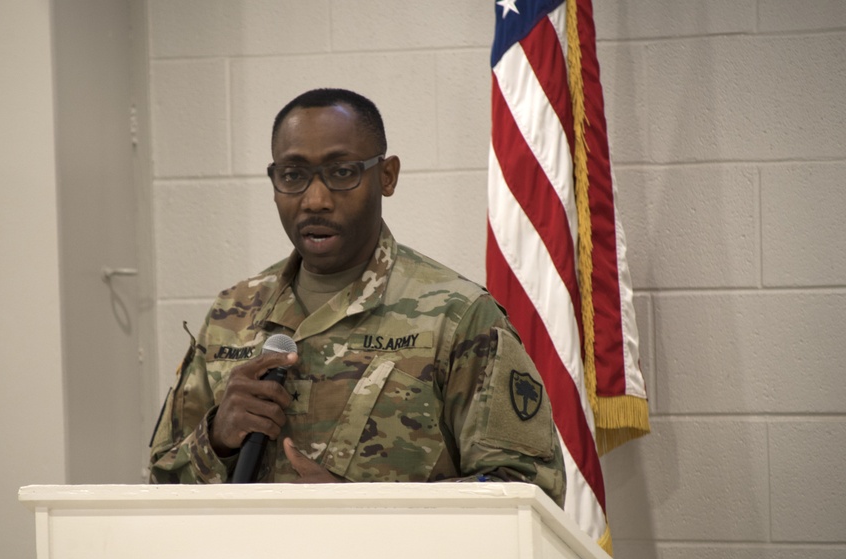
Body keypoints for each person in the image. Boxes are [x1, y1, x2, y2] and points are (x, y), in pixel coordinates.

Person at [148, 88, 565, 506]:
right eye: (293, 176)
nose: (315, 200)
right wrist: (218, 437)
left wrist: (365, 508)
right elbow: (159, 486)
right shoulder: (231, 314)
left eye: (342, 172)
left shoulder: (456, 317)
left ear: (387, 176)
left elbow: (528, 493)